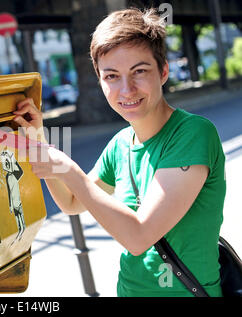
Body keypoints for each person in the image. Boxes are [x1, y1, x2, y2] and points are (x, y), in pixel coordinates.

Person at [12, 8, 226, 297]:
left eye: (139, 71)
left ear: (163, 72)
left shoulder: (193, 134)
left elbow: (139, 237)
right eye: (111, 76)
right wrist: (37, 137)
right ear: (100, 81)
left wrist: (69, 169)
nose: (126, 89)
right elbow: (73, 202)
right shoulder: (121, 143)